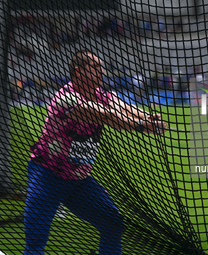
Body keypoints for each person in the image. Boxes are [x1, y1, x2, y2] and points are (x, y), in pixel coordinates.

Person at [24, 49, 167, 255]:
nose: (101, 70)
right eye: (95, 66)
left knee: (113, 223)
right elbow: (106, 116)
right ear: (78, 71)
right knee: (36, 241)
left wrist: (147, 116)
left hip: (79, 180)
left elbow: (123, 108)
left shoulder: (104, 94)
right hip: (48, 176)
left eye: (101, 66)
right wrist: (142, 126)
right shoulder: (66, 98)